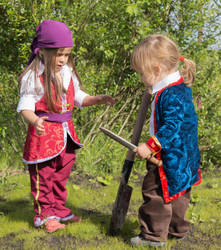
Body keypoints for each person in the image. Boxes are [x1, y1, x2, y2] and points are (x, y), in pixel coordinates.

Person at [17, 20, 115, 233]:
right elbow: (25, 106)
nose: (63, 60)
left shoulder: (68, 72)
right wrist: (34, 120)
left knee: (61, 175)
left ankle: (59, 209)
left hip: (66, 135)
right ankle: (44, 215)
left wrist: (96, 99)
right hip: (44, 136)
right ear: (42, 51)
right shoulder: (33, 76)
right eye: (58, 54)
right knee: (43, 176)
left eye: (67, 54)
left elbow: (78, 97)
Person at [130, 34, 201, 247]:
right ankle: (177, 230)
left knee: (155, 193)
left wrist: (149, 146)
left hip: (168, 156)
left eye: (142, 73)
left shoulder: (170, 94)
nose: (141, 78)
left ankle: (152, 236)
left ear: (157, 70)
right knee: (179, 192)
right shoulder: (179, 86)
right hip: (186, 155)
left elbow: (172, 126)